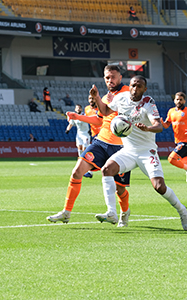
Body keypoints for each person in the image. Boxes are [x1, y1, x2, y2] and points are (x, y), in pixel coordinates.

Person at [95, 76, 187, 229]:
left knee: (159, 186)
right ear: (129, 85)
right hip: (128, 151)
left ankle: (182, 210)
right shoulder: (121, 98)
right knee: (106, 169)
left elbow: (158, 126)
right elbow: (105, 110)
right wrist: (97, 98)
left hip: (147, 151)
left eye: (139, 86)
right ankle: (111, 212)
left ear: (144, 89)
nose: (135, 88)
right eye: (133, 85)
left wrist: (148, 128)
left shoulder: (148, 102)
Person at [48, 65, 133, 226]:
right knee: (77, 172)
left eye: (113, 77)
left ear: (120, 77)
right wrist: (77, 117)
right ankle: (66, 212)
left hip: (121, 147)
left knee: (119, 189)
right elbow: (99, 120)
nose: (110, 80)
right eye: (107, 77)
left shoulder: (128, 94)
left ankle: (125, 212)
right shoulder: (107, 97)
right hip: (100, 142)